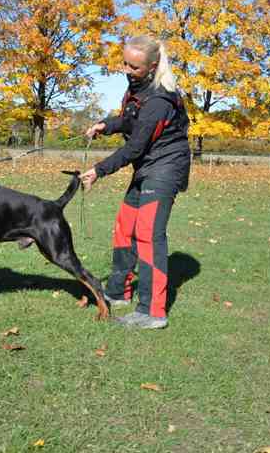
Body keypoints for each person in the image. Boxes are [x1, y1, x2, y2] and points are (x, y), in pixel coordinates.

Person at [80, 36, 191, 330]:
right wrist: (106, 125)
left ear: (152, 66)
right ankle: (117, 291)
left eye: (135, 67)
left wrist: (98, 170)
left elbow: (135, 147)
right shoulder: (138, 89)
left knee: (148, 234)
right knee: (124, 227)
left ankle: (152, 312)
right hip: (147, 166)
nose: (127, 70)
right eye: (125, 63)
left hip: (165, 168)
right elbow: (130, 120)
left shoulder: (159, 99)